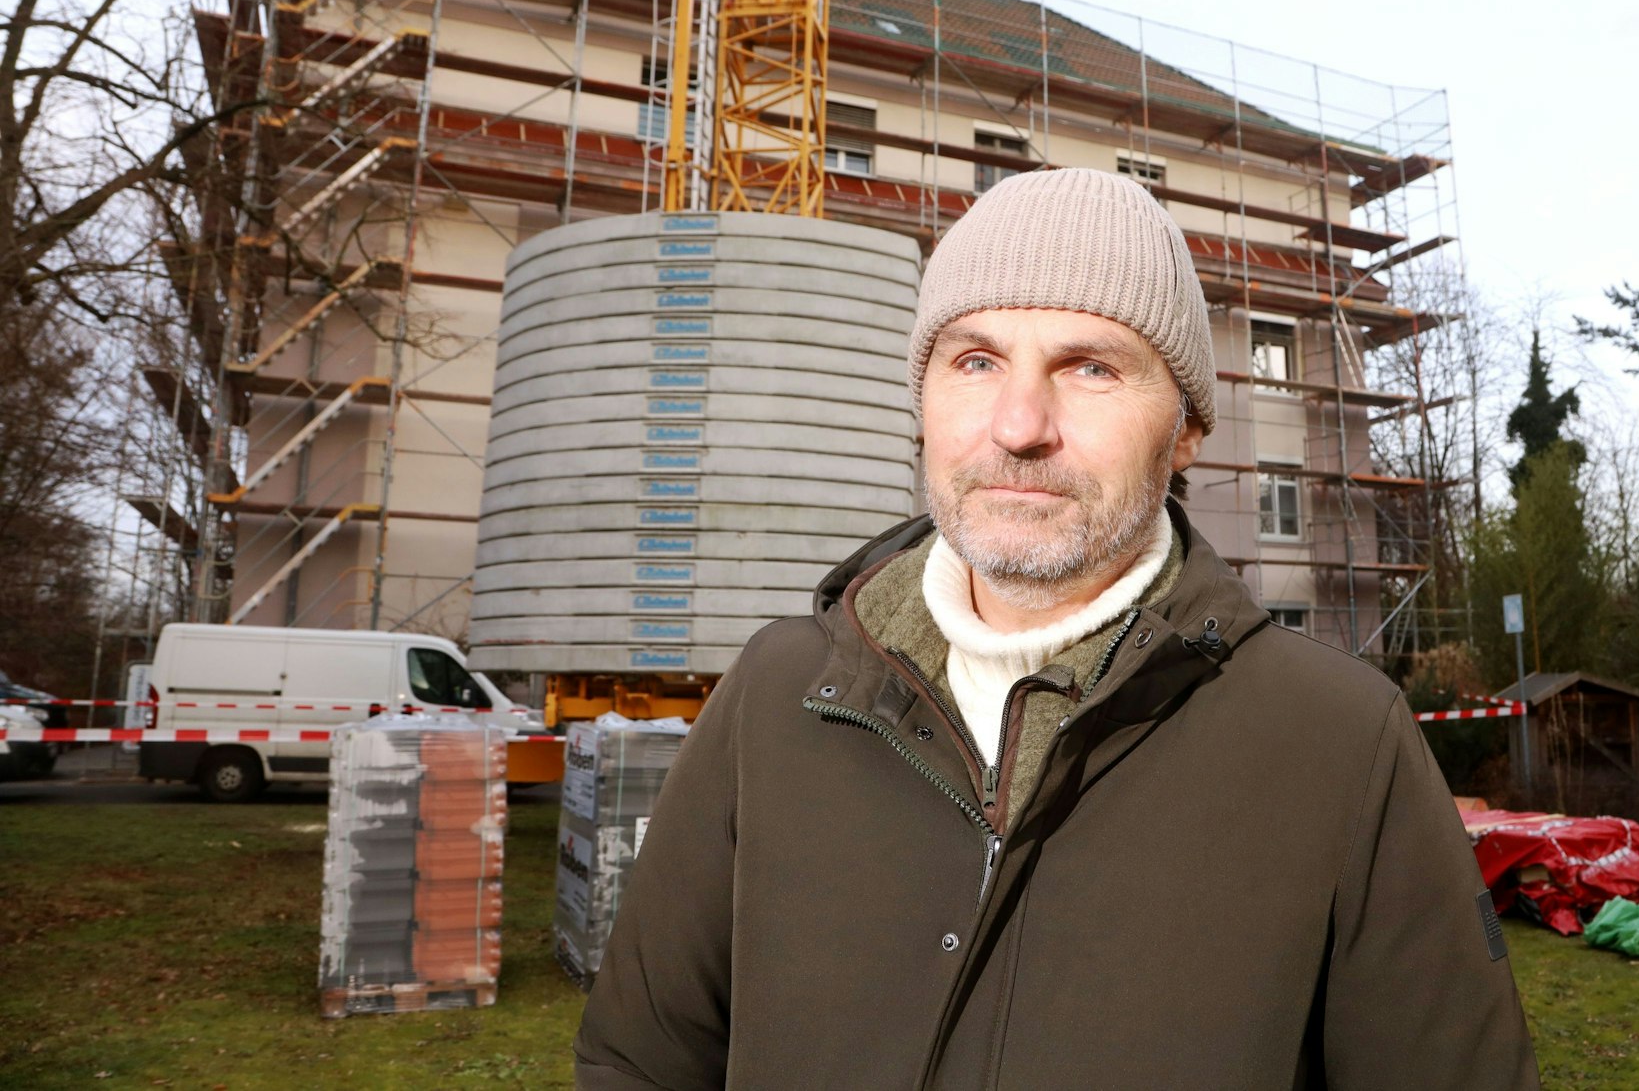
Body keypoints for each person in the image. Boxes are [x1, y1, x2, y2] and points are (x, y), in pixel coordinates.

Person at [575, 167, 1540, 1089]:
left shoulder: (1341, 742)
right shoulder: (777, 696)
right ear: (923, 399)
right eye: (976, 361)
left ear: (1186, 429)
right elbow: (639, 1065)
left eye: (1090, 367)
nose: (1019, 424)